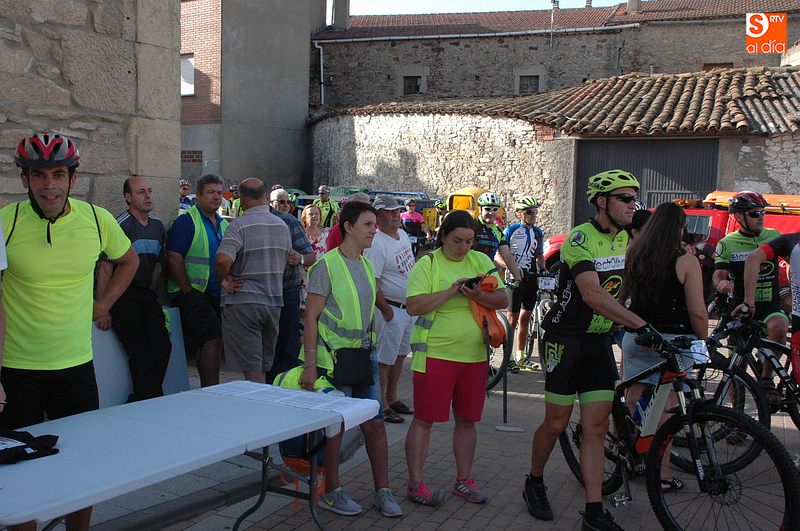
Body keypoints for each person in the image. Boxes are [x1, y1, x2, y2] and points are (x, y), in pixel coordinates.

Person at [0, 131, 138, 531]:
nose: (50, 185)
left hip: (76, 366)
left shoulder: (96, 219)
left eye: (58, 174)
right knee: (17, 468)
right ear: (25, 179)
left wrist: (103, 304)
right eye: (39, 175)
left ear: (72, 179)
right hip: (17, 369)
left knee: (83, 465)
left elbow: (128, 261)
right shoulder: (5, 223)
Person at [524, 169, 660, 530]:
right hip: (565, 339)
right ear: (602, 202)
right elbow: (592, 294)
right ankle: (534, 481)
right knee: (556, 422)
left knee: (596, 428)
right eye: (625, 198)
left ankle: (595, 512)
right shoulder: (580, 238)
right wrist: (638, 324)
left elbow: (632, 284)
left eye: (634, 198)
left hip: (598, 342)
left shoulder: (627, 239)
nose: (633, 205)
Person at [300, 201, 402, 518]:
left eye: (375, 225)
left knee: (375, 425)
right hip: (333, 361)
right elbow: (310, 318)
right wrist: (309, 366)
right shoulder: (325, 266)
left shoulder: (367, 265)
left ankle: (383, 491)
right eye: (368, 225)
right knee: (335, 429)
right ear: (348, 227)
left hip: (362, 356)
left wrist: (386, 313)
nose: (374, 231)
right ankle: (332, 491)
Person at [405, 209, 508, 506]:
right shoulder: (428, 263)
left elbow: (502, 299)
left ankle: (464, 480)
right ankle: (415, 484)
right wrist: (451, 292)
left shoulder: (480, 261)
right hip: (435, 355)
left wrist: (476, 295)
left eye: (469, 241)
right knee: (425, 420)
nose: (464, 247)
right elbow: (413, 306)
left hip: (475, 357)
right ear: (443, 237)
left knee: (467, 421)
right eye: (457, 241)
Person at [620, 202, 707, 491]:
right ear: (679, 228)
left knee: (635, 398)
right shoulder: (685, 260)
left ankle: (633, 454)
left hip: (638, 336)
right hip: (674, 343)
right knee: (668, 411)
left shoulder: (635, 253)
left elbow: (624, 295)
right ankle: (662, 473)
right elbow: (697, 312)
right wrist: (704, 339)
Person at [95, 176, 172, 403]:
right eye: (141, 192)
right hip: (122, 295)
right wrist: (102, 308)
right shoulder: (121, 225)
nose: (148, 196)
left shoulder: (158, 226)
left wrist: (151, 294)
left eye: (150, 191)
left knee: (162, 345)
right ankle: (147, 400)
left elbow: (158, 266)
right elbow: (106, 268)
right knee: (138, 350)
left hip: (145, 295)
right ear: (128, 197)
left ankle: (141, 399)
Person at [713, 191, 786, 405]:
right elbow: (718, 275)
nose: (761, 217)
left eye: (763, 212)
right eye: (754, 213)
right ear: (739, 217)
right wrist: (721, 284)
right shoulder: (727, 243)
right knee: (736, 366)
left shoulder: (774, 236)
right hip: (740, 308)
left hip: (769, 304)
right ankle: (737, 414)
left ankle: (766, 378)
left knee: (780, 327)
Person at [215, 178, 291, 383]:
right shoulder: (282, 226)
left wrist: (224, 281)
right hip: (273, 302)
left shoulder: (238, 226)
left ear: (242, 200)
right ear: (265, 196)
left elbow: (222, 260)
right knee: (262, 367)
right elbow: (286, 263)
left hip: (244, 303)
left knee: (251, 370)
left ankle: (258, 403)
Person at [166, 174, 228, 387]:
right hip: (190, 292)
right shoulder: (186, 222)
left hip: (213, 293)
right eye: (211, 192)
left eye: (219, 193)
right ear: (198, 195)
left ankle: (208, 389)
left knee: (211, 340)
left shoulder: (223, 224)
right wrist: (187, 290)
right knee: (212, 337)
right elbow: (173, 256)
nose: (216, 197)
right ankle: (211, 389)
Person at [364, 195, 416, 424]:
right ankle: (382, 402)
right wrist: (387, 311)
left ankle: (392, 396)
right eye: (390, 211)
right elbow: (372, 282)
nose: (396, 214)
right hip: (391, 309)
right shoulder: (376, 244)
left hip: (407, 309)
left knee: (400, 356)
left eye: (397, 210)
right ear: (378, 216)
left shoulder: (401, 235)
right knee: (385, 360)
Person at [263, 194, 316, 385]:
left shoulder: (288, 221)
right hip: (257, 294)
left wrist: (299, 258)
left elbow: (310, 256)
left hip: (286, 292)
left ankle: (285, 385)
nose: (286, 205)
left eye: (288, 202)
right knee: (263, 348)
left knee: (286, 344)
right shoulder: (243, 222)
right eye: (281, 202)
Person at [737, 232, 800, 386]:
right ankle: (767, 380)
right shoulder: (790, 241)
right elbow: (753, 258)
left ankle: (767, 380)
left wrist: (749, 303)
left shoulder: (792, 241)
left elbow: (753, 257)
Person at [504, 196, 546, 372]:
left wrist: (544, 270)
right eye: (529, 212)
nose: (533, 215)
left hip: (531, 278)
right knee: (512, 320)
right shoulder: (511, 230)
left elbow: (539, 255)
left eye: (535, 212)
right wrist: (511, 269)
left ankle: (521, 356)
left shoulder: (538, 232)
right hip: (514, 278)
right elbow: (502, 253)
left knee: (525, 317)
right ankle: (508, 357)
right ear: (520, 214)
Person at [473, 191, 523, 290]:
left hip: (488, 274)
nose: (491, 213)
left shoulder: (498, 232)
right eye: (487, 209)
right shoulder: (472, 226)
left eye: (495, 209)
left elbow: (507, 255)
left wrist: (517, 278)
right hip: (471, 273)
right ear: (480, 209)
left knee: (501, 297)